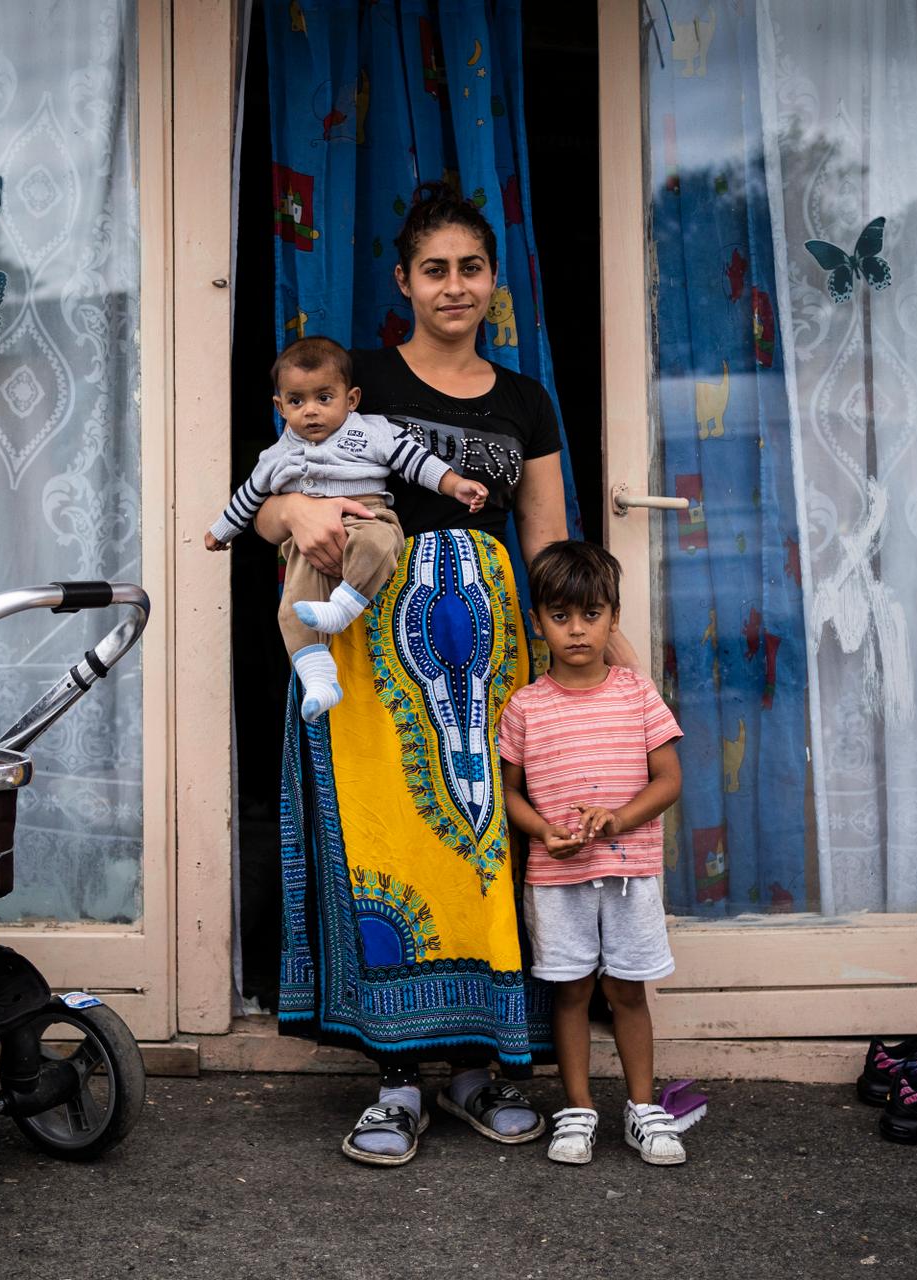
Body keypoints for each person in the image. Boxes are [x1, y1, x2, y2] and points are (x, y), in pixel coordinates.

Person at [254, 182, 631, 1166]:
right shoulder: (360, 376)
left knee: (481, 847)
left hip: (488, 653)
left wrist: (617, 673)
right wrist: (293, 519)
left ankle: (477, 1068)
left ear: (494, 280)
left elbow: (552, 547)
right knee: (382, 855)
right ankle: (393, 1081)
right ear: (404, 281)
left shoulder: (525, 398)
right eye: (435, 269)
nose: (454, 286)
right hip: (367, 646)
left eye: (471, 267)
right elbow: (266, 495)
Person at [497, 541, 687, 1166]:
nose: (576, 630)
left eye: (591, 615)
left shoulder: (636, 695)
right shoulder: (525, 707)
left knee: (628, 991)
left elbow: (668, 780)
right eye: (560, 616)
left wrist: (618, 820)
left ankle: (642, 1108)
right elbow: (510, 794)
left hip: (630, 874)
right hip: (557, 878)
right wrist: (541, 832)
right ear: (539, 622)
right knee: (571, 991)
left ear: (613, 618)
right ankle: (577, 1110)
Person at [205, 336, 488, 722]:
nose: (311, 412)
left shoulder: (372, 431)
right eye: (297, 401)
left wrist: (455, 484)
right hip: (307, 538)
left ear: (350, 399)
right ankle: (319, 679)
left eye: (324, 398)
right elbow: (250, 495)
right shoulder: (276, 455)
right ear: (280, 406)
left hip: (368, 514)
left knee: (379, 543)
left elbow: (416, 461)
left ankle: (342, 607)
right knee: (292, 609)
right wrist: (221, 531)